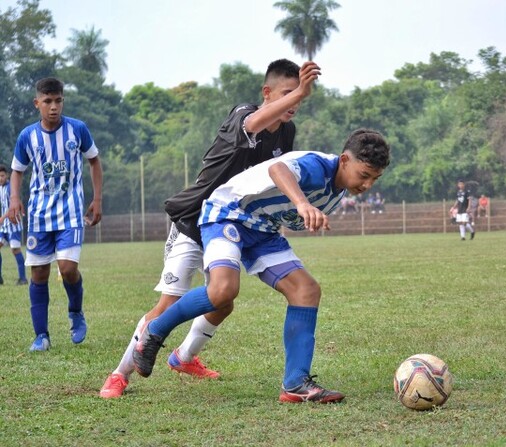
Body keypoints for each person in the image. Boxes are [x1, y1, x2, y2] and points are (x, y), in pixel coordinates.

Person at [100, 59, 321, 398]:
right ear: (267, 93)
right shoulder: (244, 115)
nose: (295, 102)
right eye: (287, 94)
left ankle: (184, 358)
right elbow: (255, 123)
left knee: (222, 301)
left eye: (299, 96)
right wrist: (301, 92)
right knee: (167, 305)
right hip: (194, 221)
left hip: (237, 225)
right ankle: (119, 375)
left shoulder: (287, 133)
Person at [132, 129, 391, 404]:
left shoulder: (339, 188)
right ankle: (155, 331)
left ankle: (295, 383)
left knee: (306, 291)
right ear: (344, 160)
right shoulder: (318, 166)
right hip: (228, 213)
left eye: (374, 179)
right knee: (223, 291)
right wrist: (303, 204)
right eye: (364, 175)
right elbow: (279, 169)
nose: (367, 186)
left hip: (263, 230)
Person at [7, 77, 103, 352]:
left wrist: (97, 199)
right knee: (38, 274)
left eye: (58, 100)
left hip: (71, 212)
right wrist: (15, 198)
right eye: (47, 101)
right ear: (37, 103)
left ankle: (75, 312)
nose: (53, 107)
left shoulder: (77, 130)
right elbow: (17, 171)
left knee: (67, 268)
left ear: (63, 101)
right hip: (39, 215)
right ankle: (42, 336)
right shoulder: (28, 136)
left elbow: (94, 160)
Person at [0, 164, 27, 285]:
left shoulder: (10, 187)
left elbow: (13, 204)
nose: (0, 178)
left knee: (15, 250)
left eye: (2, 175)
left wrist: (2, 217)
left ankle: (23, 278)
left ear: (7, 176)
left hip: (13, 224)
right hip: (3, 226)